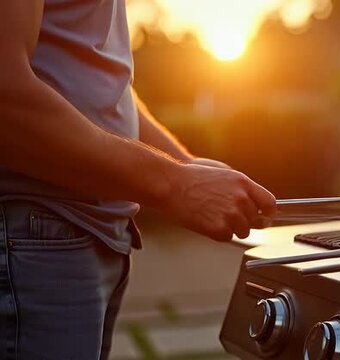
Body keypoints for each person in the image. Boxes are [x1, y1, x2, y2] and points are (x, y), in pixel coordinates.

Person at [0, 0, 277, 358]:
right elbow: (5, 93)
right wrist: (176, 184)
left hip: (83, 238)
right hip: (33, 235)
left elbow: (98, 76)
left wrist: (186, 166)